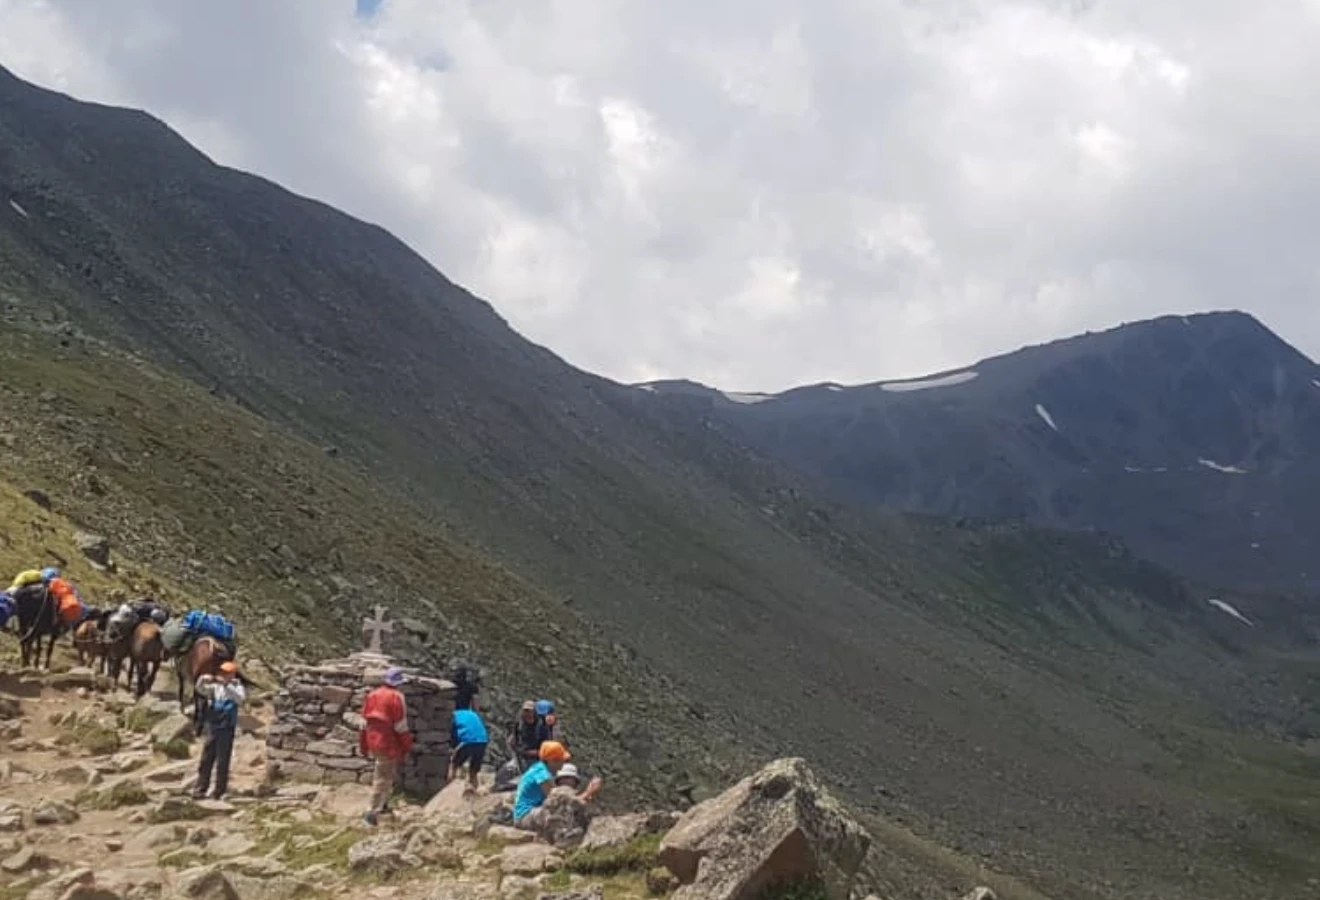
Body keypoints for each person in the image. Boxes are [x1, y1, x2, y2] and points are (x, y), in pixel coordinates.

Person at [358, 667, 414, 826]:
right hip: (388, 740)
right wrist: (407, 743)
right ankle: (372, 810)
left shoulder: (372, 695)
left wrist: (363, 741)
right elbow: (400, 725)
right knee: (382, 775)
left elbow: (363, 721)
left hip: (372, 737)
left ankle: (383, 804)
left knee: (386, 772)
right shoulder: (397, 697)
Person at [192, 661, 246, 800]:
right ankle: (200, 788)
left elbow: (240, 700)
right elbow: (200, 690)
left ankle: (219, 790)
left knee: (223, 759)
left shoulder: (237, 687)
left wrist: (227, 685)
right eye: (222, 672)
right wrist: (202, 680)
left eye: (227, 673)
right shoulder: (215, 687)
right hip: (213, 724)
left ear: (233, 674)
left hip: (227, 725)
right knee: (206, 758)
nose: (223, 675)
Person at [447, 706, 489, 793]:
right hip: (483, 740)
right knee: (473, 770)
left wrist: (452, 747)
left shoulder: (453, 715)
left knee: (453, 764)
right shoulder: (472, 713)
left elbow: (453, 735)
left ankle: (449, 791)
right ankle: (475, 791)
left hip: (467, 740)